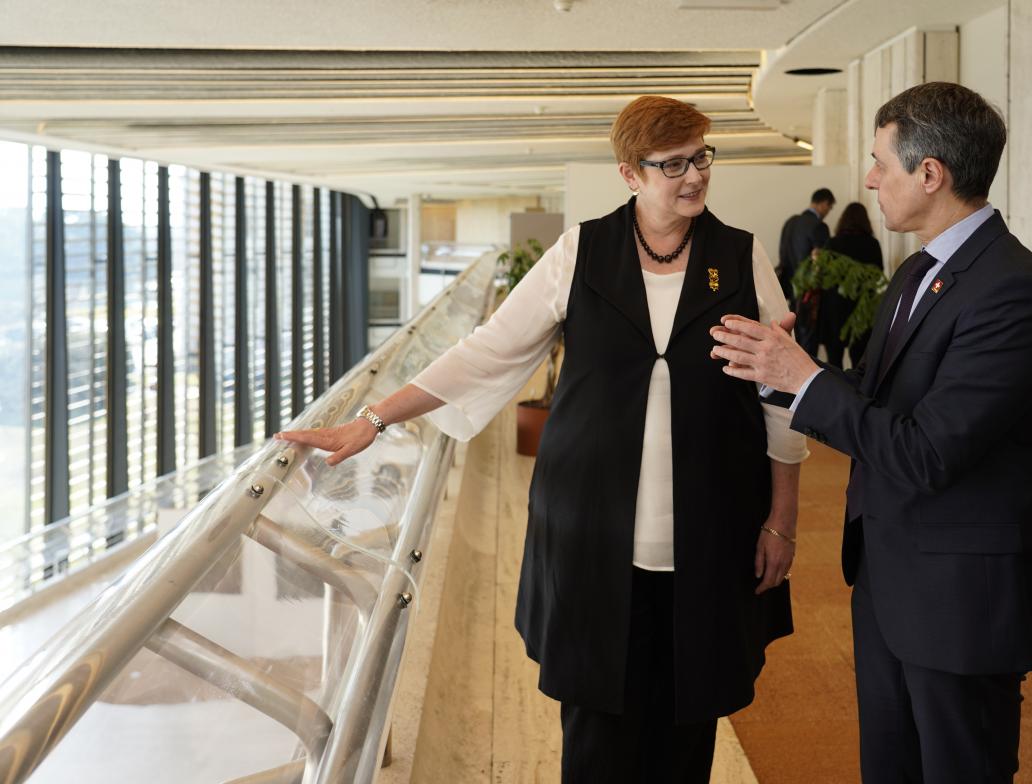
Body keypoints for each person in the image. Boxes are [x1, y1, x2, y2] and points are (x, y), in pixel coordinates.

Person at [277, 95, 808, 783]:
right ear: (630, 175)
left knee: (686, 730)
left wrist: (782, 519)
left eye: (701, 157)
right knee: (594, 737)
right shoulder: (580, 252)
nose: (694, 175)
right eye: (672, 163)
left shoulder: (739, 258)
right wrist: (374, 420)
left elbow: (780, 399)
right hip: (590, 535)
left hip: (709, 535)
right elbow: (485, 353)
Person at [711, 81, 1032, 784]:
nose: (870, 180)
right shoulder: (914, 273)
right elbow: (880, 407)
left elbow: (928, 450)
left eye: (881, 162)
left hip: (961, 606)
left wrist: (806, 381)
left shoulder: (1014, 290)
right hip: (889, 584)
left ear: (929, 173)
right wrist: (783, 371)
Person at [820, 201, 884, 368]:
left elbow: (824, 276)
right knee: (860, 362)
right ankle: (858, 393)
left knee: (834, 360)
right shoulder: (872, 244)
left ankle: (833, 393)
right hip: (862, 309)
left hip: (835, 307)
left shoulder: (833, 243)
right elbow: (878, 274)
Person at [777, 187, 835, 308]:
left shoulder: (790, 222)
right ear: (824, 204)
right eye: (829, 208)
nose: (828, 212)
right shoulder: (820, 226)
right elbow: (823, 262)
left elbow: (783, 254)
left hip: (787, 287)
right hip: (808, 293)